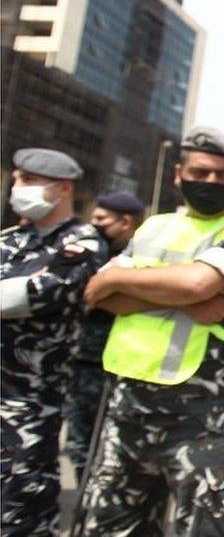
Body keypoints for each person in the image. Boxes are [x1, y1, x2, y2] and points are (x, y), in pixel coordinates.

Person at [80, 126, 224, 535]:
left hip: (204, 419)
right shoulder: (153, 228)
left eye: (223, 175)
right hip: (130, 409)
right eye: (201, 173)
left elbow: (200, 283)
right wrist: (176, 297)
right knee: (110, 527)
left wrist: (126, 281)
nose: (211, 182)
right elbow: (99, 293)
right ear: (178, 175)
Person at [0, 148, 109, 534]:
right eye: (16, 179)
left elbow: (40, 292)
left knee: (18, 513)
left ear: (62, 189)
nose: (17, 187)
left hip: (28, 404)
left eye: (27, 181)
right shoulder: (11, 239)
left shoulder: (83, 244)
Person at [64, 191, 145, 481]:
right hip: (83, 359)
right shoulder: (89, 251)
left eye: (100, 219)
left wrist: (113, 285)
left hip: (122, 363)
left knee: (116, 445)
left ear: (125, 222)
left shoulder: (143, 255)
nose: (93, 224)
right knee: (80, 441)